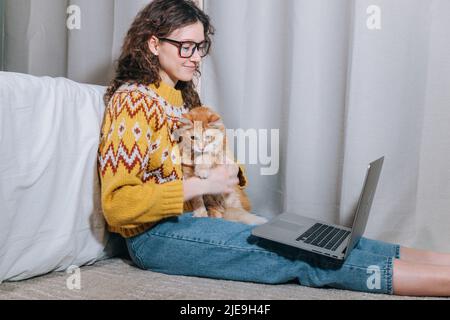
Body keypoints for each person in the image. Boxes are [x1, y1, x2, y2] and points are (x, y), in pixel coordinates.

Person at [98, 0, 450, 297]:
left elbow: (207, 167)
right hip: (156, 238)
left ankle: (442, 262)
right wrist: (203, 185)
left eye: (200, 46)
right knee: (304, 256)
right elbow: (116, 206)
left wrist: (228, 171)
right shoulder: (132, 101)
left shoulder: (183, 98)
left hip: (202, 221)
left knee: (325, 239)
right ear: (153, 44)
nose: (195, 57)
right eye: (185, 46)